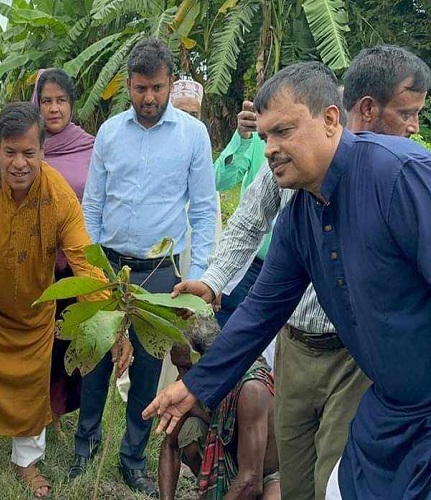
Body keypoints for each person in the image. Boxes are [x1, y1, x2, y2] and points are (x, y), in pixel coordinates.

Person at [144, 61, 431, 499]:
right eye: (265, 138)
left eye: (284, 131)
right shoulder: (300, 214)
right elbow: (261, 311)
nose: (272, 148)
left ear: (331, 120)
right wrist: (193, 386)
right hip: (391, 407)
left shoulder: (398, 176)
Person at [0, 103, 130, 499]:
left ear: (43, 151)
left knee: (31, 390)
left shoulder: (59, 195)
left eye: (29, 153)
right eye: (10, 152)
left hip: (33, 314)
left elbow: (84, 259)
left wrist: (113, 321)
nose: (19, 163)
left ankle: (26, 461)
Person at [72, 38, 217, 498]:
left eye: (156, 87)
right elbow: (91, 207)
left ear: (171, 83)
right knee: (95, 358)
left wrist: (201, 277)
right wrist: (93, 270)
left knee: (149, 368)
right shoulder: (110, 133)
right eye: (139, 88)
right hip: (110, 267)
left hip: (162, 274)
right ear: (127, 87)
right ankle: (85, 448)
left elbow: (204, 210)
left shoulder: (193, 135)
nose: (148, 98)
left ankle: (133, 458)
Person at [32, 68, 96, 436]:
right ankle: (34, 411)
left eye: (61, 101)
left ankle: (58, 412)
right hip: (35, 263)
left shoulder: (89, 146)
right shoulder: (28, 145)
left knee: (68, 342)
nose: (53, 109)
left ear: (72, 103)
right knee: (38, 342)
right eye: (46, 101)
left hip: (76, 265)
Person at [158, 317, 280, 500]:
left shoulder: (250, 389)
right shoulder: (188, 382)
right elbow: (169, 445)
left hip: (268, 475)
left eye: (186, 368)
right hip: (232, 465)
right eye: (178, 369)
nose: (182, 378)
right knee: (190, 431)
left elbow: (251, 480)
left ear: (209, 360)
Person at [210, 100, 268, 327]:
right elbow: (220, 181)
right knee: (225, 332)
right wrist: (243, 138)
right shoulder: (257, 138)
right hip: (250, 263)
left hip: (293, 274)